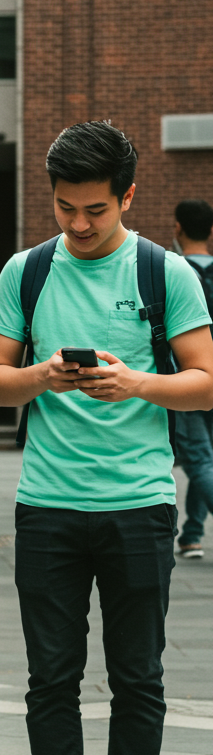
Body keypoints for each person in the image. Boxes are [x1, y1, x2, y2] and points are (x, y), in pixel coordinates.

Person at [0, 121, 213, 755]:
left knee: (137, 676)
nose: (79, 225)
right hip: (48, 502)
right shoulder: (29, 270)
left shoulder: (164, 273)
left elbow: (205, 379)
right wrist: (43, 375)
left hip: (141, 504)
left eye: (95, 211)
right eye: (65, 209)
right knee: (51, 676)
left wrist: (138, 382)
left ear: (128, 198)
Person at [173, 198, 213, 558]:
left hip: (186, 379)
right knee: (208, 459)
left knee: (199, 460)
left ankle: (194, 532)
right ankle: (192, 534)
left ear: (177, 229)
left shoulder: (173, 272)